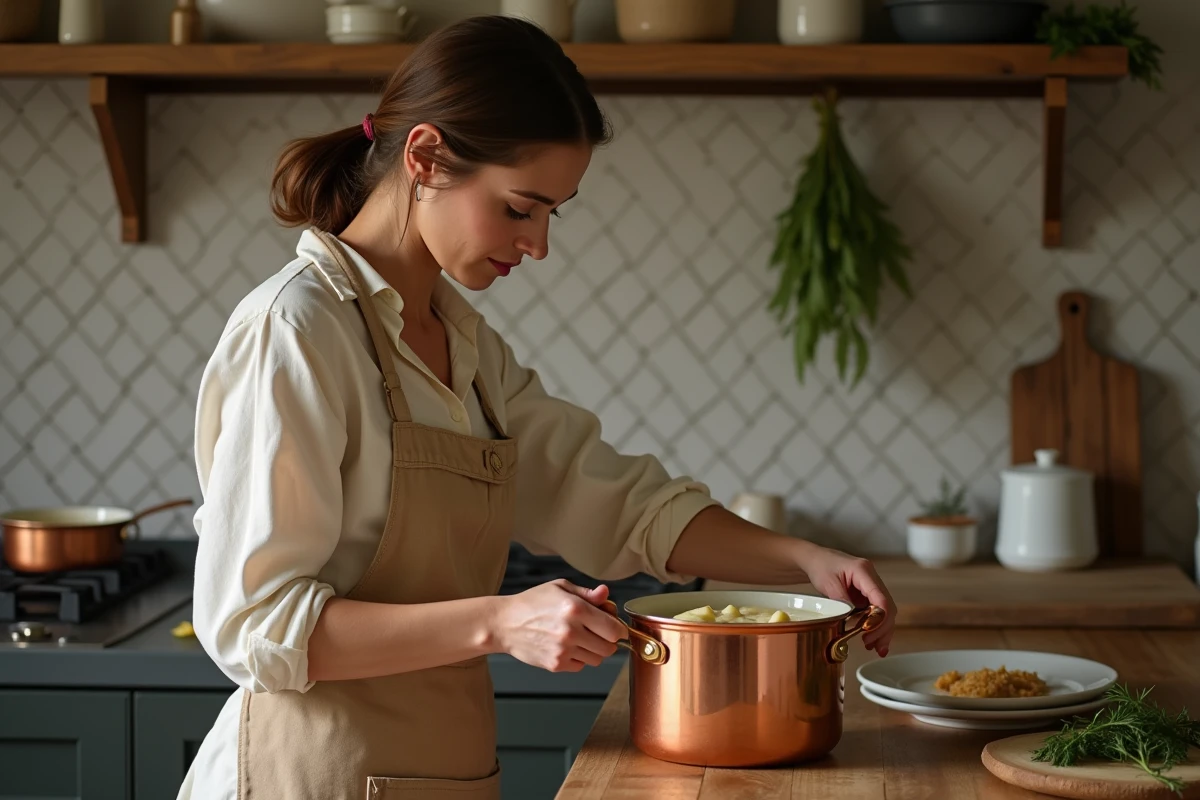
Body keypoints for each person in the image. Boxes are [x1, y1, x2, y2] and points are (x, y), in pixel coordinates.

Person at [177, 15, 897, 800]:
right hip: (303, 779)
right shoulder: (296, 330)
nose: (540, 243)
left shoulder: (465, 345)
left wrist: (804, 563)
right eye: (521, 208)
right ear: (425, 157)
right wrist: (498, 622)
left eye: (555, 211)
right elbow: (255, 626)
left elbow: (621, 506)